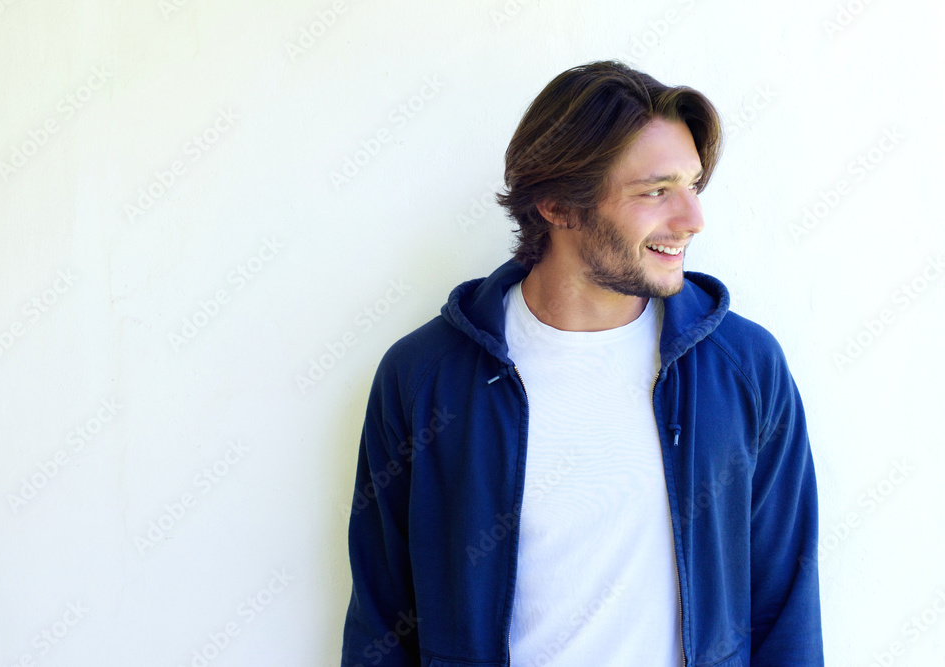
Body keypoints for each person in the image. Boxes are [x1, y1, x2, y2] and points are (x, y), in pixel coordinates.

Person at [341, 61, 823, 666]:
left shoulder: (743, 368)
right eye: (655, 191)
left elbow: (785, 611)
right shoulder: (423, 377)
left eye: (693, 186)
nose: (693, 219)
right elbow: (382, 623)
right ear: (556, 204)